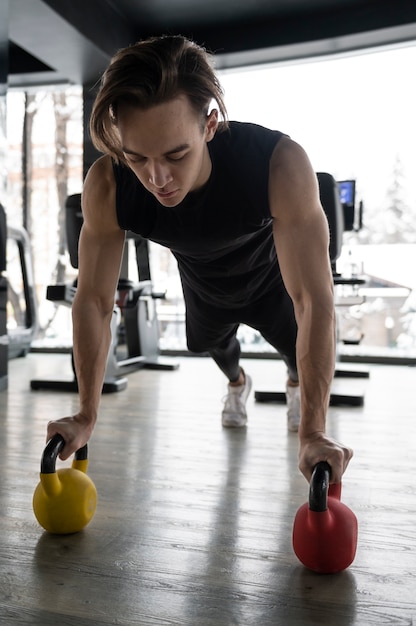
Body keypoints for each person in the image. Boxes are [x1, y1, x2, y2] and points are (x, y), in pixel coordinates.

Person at [47, 34, 352, 484]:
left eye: (176, 154)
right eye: (137, 157)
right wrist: (86, 412)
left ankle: (294, 385)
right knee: (214, 348)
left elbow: (314, 300)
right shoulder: (110, 185)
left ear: (209, 125)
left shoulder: (277, 164)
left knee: (295, 351)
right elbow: (93, 299)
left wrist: (314, 431)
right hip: (204, 286)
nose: (156, 178)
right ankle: (237, 386)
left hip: (275, 282)